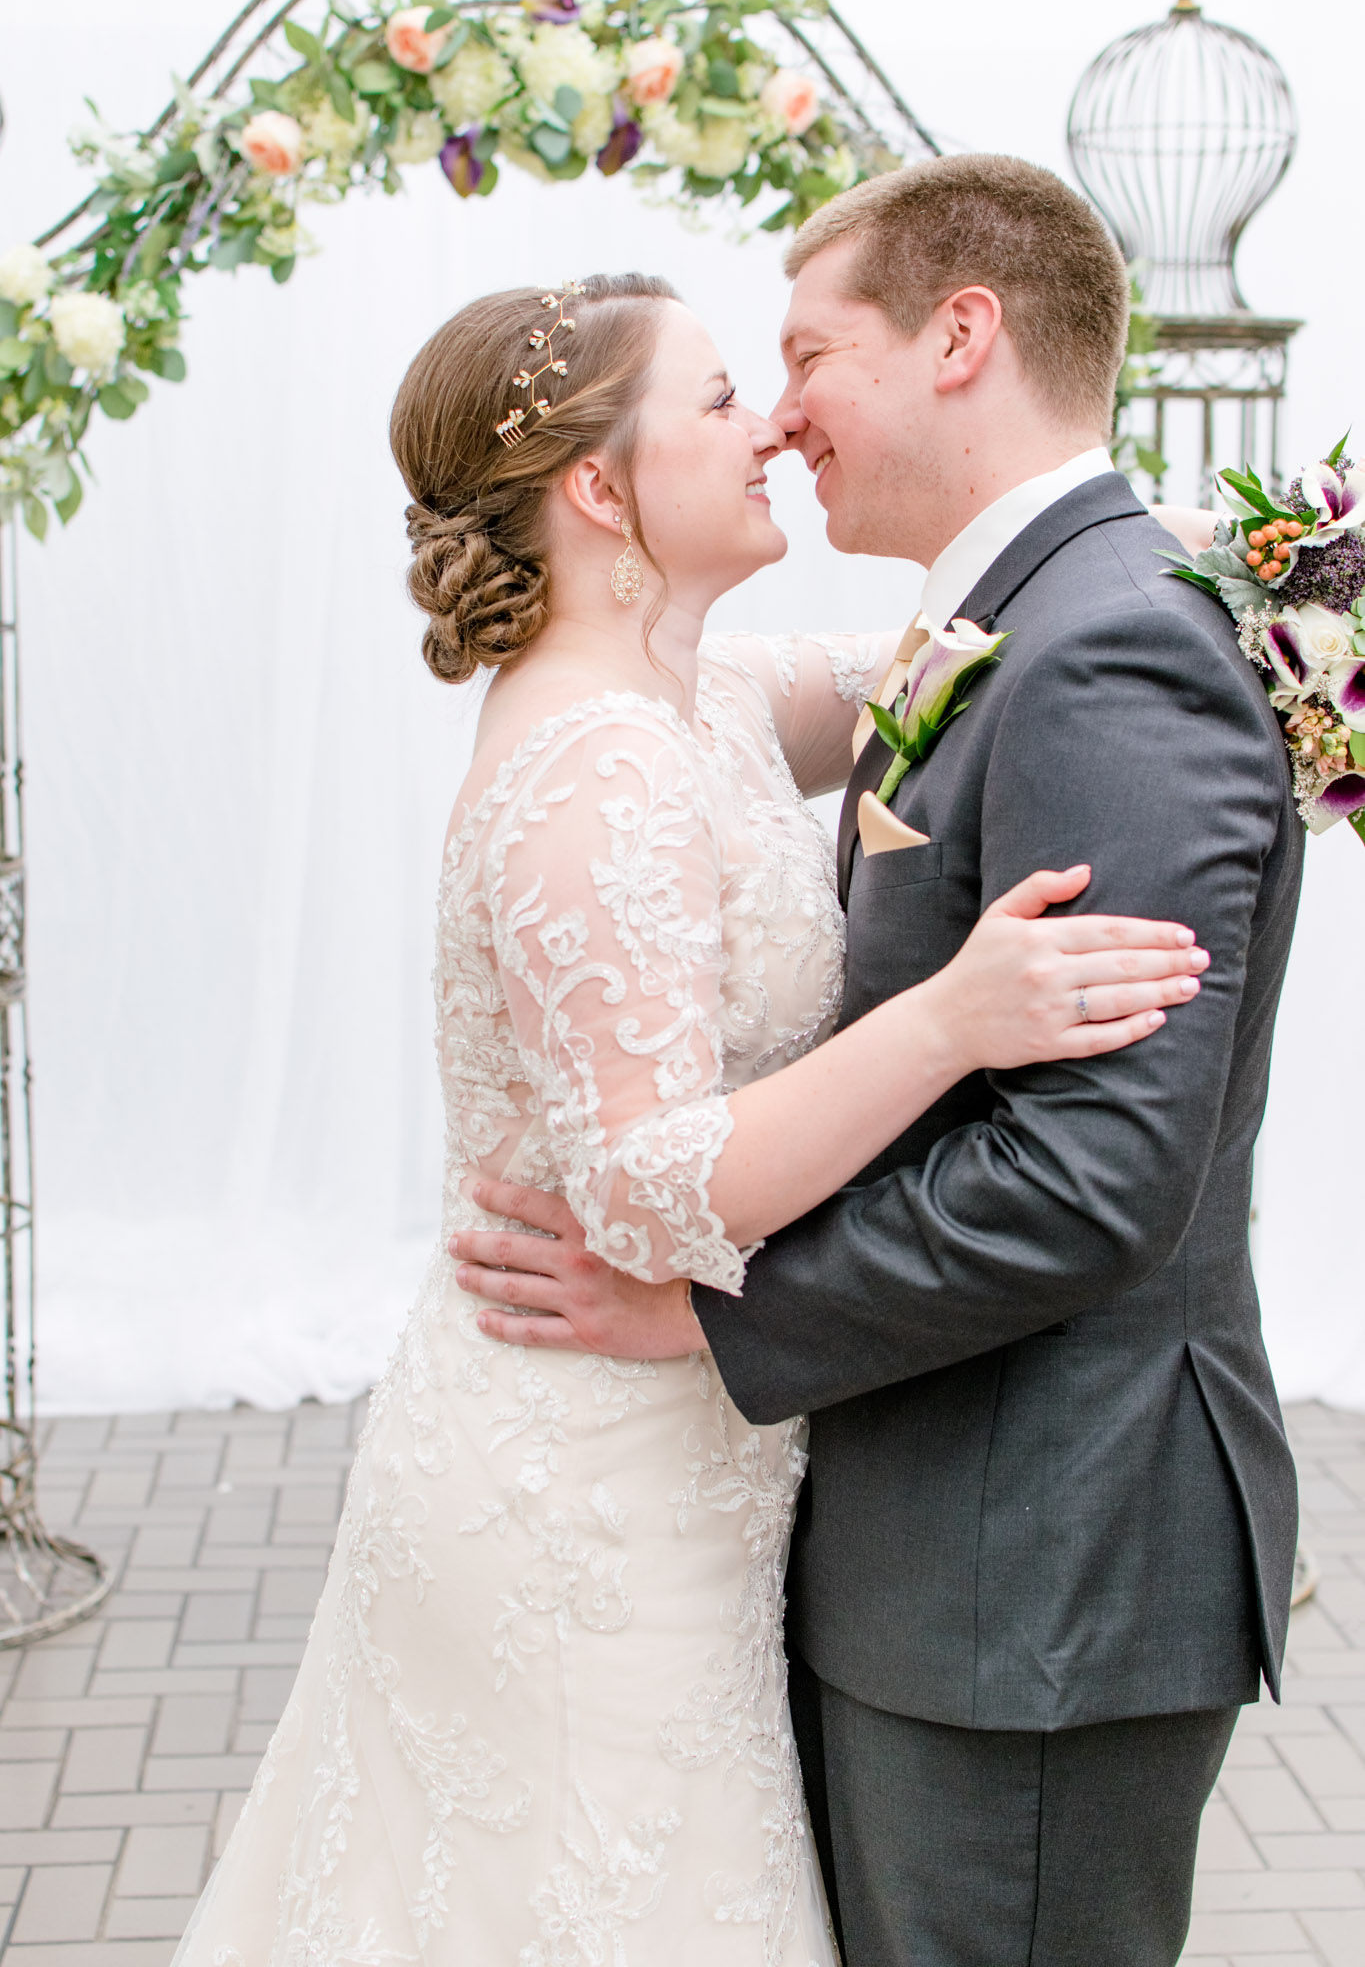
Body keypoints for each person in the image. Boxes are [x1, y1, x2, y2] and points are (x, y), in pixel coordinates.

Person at [169, 265, 1210, 1967]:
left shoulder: (702, 695)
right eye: (723, 398)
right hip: (582, 1488)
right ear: (599, 486)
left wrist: (1287, 592)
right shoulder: (597, 767)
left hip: (677, 1457)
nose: (770, 426)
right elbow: (652, 1199)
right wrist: (953, 1021)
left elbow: (982, 629)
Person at [456, 160, 1305, 1967]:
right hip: (930, 1539)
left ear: (961, 337)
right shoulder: (988, 628)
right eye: (733, 385)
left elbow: (1090, 1183)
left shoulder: (1106, 649)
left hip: (1034, 1565)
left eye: (804, 353)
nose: (775, 414)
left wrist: (711, 1316)